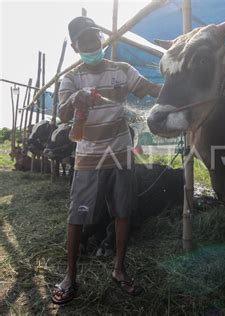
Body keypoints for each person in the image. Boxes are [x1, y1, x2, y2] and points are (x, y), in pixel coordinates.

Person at [51, 16, 161, 305]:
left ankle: (119, 270)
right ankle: (70, 276)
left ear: (102, 40)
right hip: (88, 158)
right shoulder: (71, 78)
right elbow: (62, 114)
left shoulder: (122, 70)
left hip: (122, 155)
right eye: (84, 41)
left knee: (123, 212)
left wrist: (176, 93)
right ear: (76, 47)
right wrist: (76, 98)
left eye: (94, 38)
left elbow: (148, 88)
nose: (91, 44)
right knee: (77, 216)